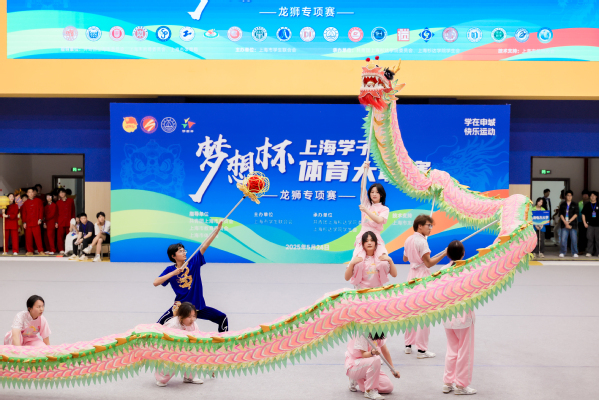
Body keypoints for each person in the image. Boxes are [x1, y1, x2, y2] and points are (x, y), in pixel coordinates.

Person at [154, 221, 228, 332]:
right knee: (157, 327)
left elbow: (204, 246)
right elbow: (156, 282)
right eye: (180, 251)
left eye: (184, 250)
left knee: (222, 318)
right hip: (181, 308)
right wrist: (173, 273)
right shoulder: (170, 270)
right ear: (173, 256)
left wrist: (217, 231)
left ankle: (223, 340)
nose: (184, 252)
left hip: (197, 307)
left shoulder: (193, 262)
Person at [403, 214, 447, 358]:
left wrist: (416, 256)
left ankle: (408, 345)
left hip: (411, 278)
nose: (430, 228)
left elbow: (405, 258)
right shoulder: (422, 242)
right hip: (422, 279)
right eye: (429, 225)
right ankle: (421, 350)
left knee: (411, 312)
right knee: (424, 314)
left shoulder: (408, 239)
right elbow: (428, 263)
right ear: (420, 226)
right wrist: (444, 253)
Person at [442, 240, 477, 395]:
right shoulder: (468, 270)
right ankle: (461, 385)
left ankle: (447, 382)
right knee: (464, 351)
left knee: (451, 349)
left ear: (447, 254)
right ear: (463, 253)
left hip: (447, 317)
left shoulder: (442, 271)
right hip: (464, 318)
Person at [155, 302, 204, 386]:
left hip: (187, 346)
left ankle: (189, 377)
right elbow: (164, 340)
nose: (192, 319)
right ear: (181, 316)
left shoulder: (194, 325)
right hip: (170, 348)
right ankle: (161, 379)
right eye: (189, 317)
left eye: (193, 316)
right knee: (171, 363)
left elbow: (197, 337)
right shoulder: (172, 325)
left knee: (193, 355)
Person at [345, 332, 400, 400]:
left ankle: (359, 380)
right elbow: (363, 354)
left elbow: (385, 350)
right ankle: (369, 391)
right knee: (376, 359)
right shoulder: (361, 333)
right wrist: (372, 353)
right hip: (354, 366)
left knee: (388, 387)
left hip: (368, 364)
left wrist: (393, 369)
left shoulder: (378, 331)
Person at [353, 161, 390, 260]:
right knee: (358, 259)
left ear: (381, 195)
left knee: (382, 259)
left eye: (377, 192)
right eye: (372, 192)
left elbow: (379, 220)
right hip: (363, 235)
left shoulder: (384, 209)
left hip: (375, 236)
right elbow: (362, 187)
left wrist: (366, 210)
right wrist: (365, 170)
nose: (374, 194)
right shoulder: (367, 204)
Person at [21, 188, 45, 256]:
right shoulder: (25, 203)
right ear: (27, 194)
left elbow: (41, 210)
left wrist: (40, 219)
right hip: (28, 222)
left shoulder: (38, 201)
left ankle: (40, 250)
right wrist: (24, 222)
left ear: (34, 193)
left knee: (38, 237)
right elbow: (24, 213)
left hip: (36, 222)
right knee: (28, 238)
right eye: (29, 192)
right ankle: (30, 251)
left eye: (32, 192)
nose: (31, 193)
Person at [559, 190, 579, 258]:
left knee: (574, 239)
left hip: (572, 224)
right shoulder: (562, 204)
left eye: (570, 195)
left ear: (572, 196)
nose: (569, 197)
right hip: (564, 223)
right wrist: (565, 222)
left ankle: (575, 252)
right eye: (568, 195)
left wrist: (569, 221)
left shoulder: (575, 204)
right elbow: (561, 214)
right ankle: (562, 252)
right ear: (566, 196)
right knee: (563, 239)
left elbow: (576, 214)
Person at [56, 188, 76, 255]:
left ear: (65, 193)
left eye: (63, 192)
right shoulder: (58, 202)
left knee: (70, 236)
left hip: (69, 222)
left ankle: (70, 249)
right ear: (59, 194)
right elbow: (56, 213)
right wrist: (56, 222)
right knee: (60, 237)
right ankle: (61, 249)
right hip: (60, 221)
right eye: (60, 193)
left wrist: (73, 221)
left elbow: (73, 211)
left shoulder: (71, 200)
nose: (61, 194)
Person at [582, 191, 599, 257]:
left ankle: (598, 252)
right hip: (590, 225)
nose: (592, 197)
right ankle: (589, 252)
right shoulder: (587, 205)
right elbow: (583, 214)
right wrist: (584, 223)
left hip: (598, 225)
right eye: (591, 196)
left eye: (594, 195)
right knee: (589, 239)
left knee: (598, 239)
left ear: (596, 196)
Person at [578, 190, 590, 254]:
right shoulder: (579, 203)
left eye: (586, 194)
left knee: (590, 236)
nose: (585, 196)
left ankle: (590, 250)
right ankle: (581, 250)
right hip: (581, 221)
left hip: (590, 222)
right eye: (584, 194)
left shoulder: (592, 202)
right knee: (581, 236)